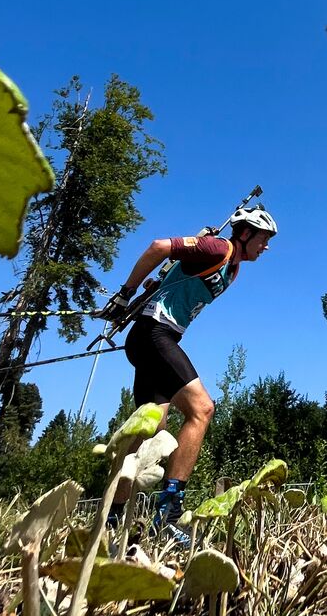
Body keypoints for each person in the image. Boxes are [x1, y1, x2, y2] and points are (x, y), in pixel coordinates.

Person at [99, 205, 277, 548]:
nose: (265, 246)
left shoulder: (232, 269)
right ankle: (167, 515)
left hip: (157, 337)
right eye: (263, 238)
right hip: (154, 333)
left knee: (149, 436)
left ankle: (111, 517)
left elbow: (175, 278)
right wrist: (125, 294)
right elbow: (158, 247)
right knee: (202, 409)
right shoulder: (219, 248)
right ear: (244, 233)